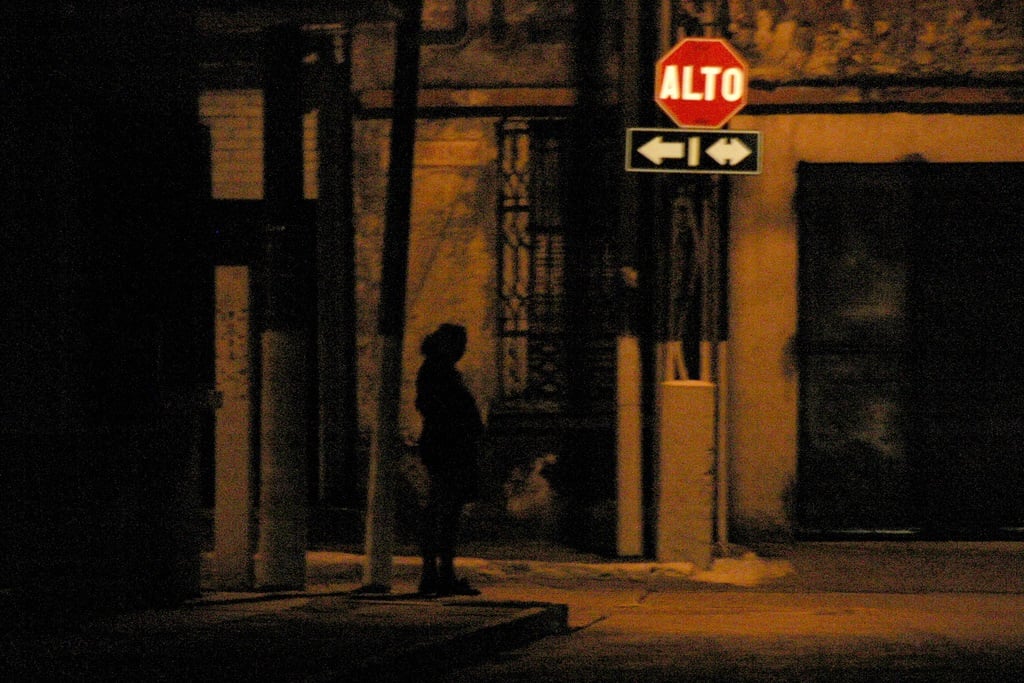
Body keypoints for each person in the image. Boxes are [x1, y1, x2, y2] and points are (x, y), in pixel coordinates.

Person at [414, 323, 484, 597]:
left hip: (452, 447)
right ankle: (435, 573)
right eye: (460, 344)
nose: (463, 350)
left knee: (447, 510)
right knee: (443, 509)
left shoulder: (440, 371)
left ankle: (442, 573)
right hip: (446, 448)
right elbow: (435, 408)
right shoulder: (436, 371)